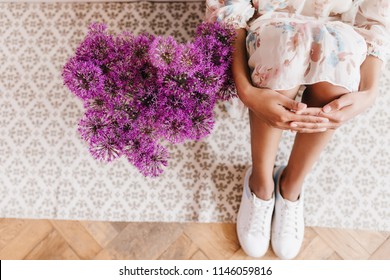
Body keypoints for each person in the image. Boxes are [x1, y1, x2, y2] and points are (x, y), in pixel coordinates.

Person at [205, 0, 390, 259]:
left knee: (336, 60)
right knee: (285, 51)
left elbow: (375, 20)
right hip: (269, 24)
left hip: (336, 27)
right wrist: (246, 91)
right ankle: (261, 183)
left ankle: (291, 187)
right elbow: (229, 11)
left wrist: (370, 92)